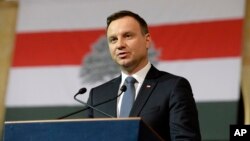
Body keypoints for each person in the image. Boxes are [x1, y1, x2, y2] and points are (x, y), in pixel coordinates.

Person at [86, 10, 201, 141]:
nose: (120, 45)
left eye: (128, 36)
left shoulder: (173, 87)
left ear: (147, 41)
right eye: (113, 39)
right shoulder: (98, 96)